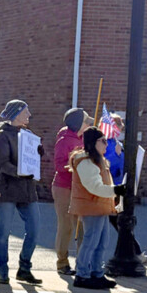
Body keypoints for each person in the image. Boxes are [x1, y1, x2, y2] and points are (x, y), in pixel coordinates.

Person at [68, 127, 127, 290]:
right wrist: (116, 190)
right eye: (103, 141)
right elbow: (94, 186)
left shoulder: (96, 160)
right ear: (93, 143)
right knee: (91, 241)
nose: (106, 144)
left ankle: (96, 273)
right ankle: (82, 275)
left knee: (101, 242)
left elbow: (102, 185)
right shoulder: (85, 161)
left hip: (99, 206)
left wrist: (116, 190)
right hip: (91, 206)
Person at [0, 99, 42, 286]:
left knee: (34, 230)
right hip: (7, 189)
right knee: (3, 232)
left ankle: (24, 268)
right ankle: (3, 271)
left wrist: (38, 155)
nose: (29, 115)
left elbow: (33, 159)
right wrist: (21, 172)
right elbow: (3, 164)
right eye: (26, 112)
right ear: (16, 113)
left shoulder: (29, 135)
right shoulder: (2, 136)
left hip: (27, 190)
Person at [51, 107, 90, 277]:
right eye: (86, 121)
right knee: (66, 226)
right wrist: (77, 166)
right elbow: (59, 165)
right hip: (64, 187)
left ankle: (82, 262)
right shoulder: (64, 140)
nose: (89, 123)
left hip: (79, 188)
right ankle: (62, 263)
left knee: (81, 226)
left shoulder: (83, 139)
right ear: (78, 123)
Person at [104, 113, 126, 185]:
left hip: (119, 181)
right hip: (110, 182)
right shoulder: (103, 143)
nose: (119, 131)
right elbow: (102, 161)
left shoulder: (116, 142)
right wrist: (116, 154)